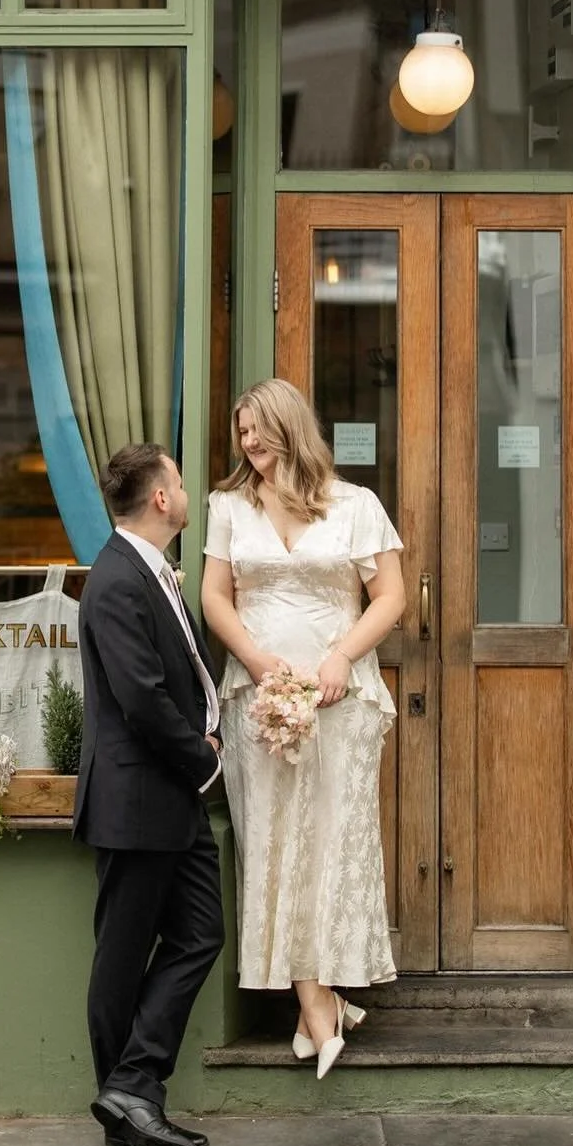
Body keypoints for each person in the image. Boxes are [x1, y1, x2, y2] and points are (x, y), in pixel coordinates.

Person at [200, 378, 405, 1078]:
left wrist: (342, 655)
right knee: (271, 845)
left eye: (257, 427)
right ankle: (318, 1005)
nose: (248, 441)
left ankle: (320, 1004)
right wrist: (257, 663)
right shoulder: (227, 507)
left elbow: (392, 597)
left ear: (290, 426)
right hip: (257, 700)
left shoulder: (357, 507)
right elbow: (213, 597)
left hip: (340, 706)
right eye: (241, 430)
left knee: (329, 846)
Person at [73, 443, 225, 1146]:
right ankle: (127, 1101)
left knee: (201, 933)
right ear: (161, 498)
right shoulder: (115, 580)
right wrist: (206, 760)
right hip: (139, 799)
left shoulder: (148, 572)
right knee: (124, 955)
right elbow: (141, 698)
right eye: (181, 478)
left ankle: (132, 1085)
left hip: (172, 800)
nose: (187, 490)